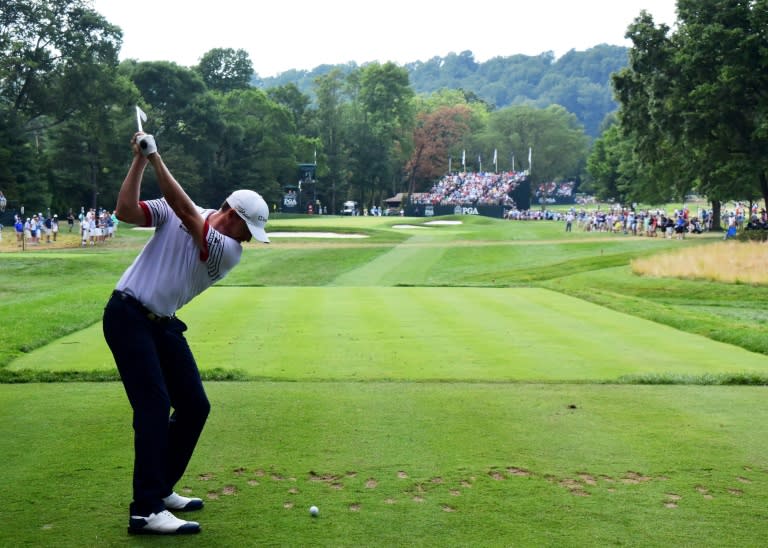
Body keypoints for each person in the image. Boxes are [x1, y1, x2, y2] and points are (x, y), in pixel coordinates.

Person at [102, 132, 270, 535]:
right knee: (154, 408)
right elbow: (126, 211)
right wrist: (140, 160)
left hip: (162, 322)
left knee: (195, 406)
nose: (247, 237)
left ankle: (160, 489)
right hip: (127, 315)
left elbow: (187, 213)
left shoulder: (227, 251)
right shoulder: (185, 212)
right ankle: (146, 510)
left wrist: (156, 157)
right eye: (246, 227)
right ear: (229, 212)